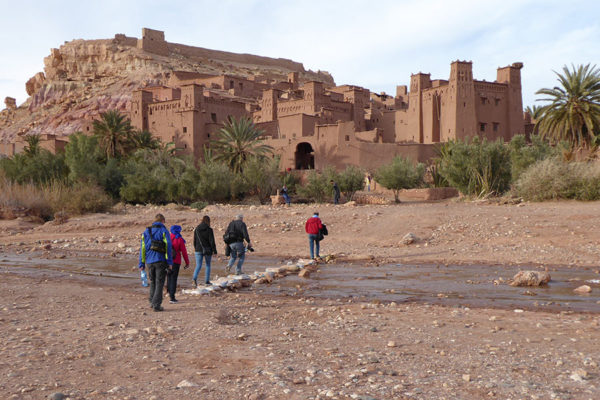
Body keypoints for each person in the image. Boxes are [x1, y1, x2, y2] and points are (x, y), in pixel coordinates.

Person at [138, 214, 173, 312]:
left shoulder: (146, 231)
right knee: (159, 283)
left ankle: (151, 301)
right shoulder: (164, 231)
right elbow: (168, 246)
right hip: (160, 260)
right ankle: (156, 305)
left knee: (153, 281)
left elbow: (143, 248)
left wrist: (141, 263)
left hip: (149, 261)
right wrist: (170, 262)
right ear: (163, 221)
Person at [193, 215, 217, 286]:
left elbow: (194, 240)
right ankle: (207, 281)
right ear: (208, 221)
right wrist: (214, 251)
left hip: (198, 249)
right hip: (208, 250)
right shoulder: (209, 230)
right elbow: (212, 241)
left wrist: (196, 248)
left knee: (198, 265)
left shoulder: (197, 229)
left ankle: (194, 279)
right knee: (208, 265)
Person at [167, 225, 189, 303]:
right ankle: (172, 297)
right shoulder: (179, 239)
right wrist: (187, 262)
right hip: (176, 261)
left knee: (168, 276)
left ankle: (169, 292)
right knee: (174, 278)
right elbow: (184, 252)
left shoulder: (168, 237)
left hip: (167, 260)